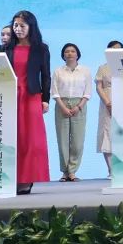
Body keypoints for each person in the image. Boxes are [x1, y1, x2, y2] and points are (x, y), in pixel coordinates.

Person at [6, 10, 51, 194]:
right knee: (12, 138)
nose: (18, 29)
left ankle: (27, 178)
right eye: (15, 25)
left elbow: (46, 76)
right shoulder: (5, 48)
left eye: (22, 26)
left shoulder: (41, 49)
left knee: (30, 139)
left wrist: (45, 99)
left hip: (31, 97)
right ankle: (10, 177)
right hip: (10, 97)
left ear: (31, 27)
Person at [52, 43, 91, 182]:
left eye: (73, 51)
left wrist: (79, 107)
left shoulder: (85, 71)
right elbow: (55, 92)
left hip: (79, 105)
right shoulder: (58, 71)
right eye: (67, 51)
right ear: (63, 55)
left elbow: (87, 92)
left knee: (77, 141)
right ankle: (65, 172)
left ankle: (72, 171)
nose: (70, 53)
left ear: (77, 54)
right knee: (62, 140)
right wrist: (63, 107)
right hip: (61, 104)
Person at [96, 40, 123, 178]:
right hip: (106, 102)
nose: (115, 51)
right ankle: (111, 170)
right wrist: (107, 102)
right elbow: (99, 87)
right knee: (107, 133)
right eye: (112, 49)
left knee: (122, 134)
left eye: (118, 49)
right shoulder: (103, 68)